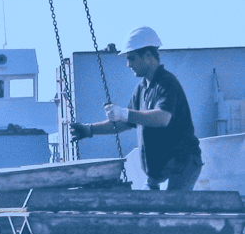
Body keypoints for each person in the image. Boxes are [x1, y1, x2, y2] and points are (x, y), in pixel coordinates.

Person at [70, 26, 203, 191]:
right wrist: (88, 130)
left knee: (173, 204)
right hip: (159, 170)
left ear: (148, 56)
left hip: (182, 163)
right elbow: (126, 122)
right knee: (149, 204)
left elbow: (162, 118)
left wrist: (124, 113)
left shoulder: (166, 83)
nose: (128, 64)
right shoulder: (142, 89)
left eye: (132, 58)